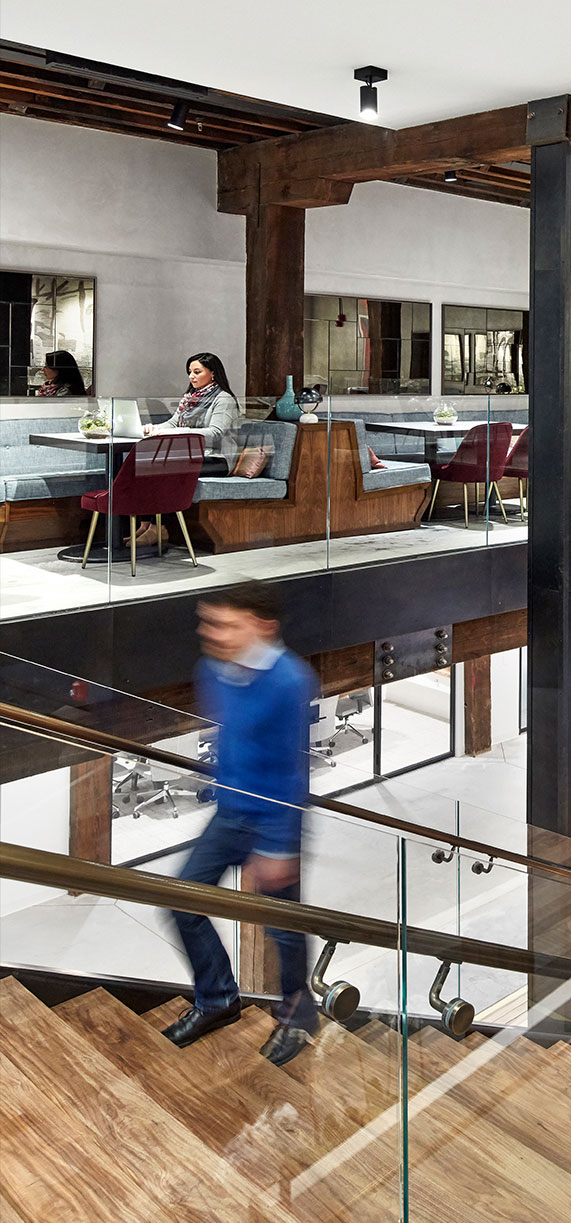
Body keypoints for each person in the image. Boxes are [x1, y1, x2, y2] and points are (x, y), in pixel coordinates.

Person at [163, 580, 320, 1067]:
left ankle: (298, 1014)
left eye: (226, 624)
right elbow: (231, 740)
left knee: (284, 929)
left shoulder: (290, 680)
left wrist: (276, 847)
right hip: (230, 812)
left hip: (274, 819)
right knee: (183, 901)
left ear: (262, 627)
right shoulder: (212, 668)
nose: (211, 633)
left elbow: (291, 771)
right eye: (208, 622)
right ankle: (218, 999)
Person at [137, 350, 242, 545]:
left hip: (218, 459)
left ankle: (159, 528)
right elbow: (174, 423)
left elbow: (215, 433)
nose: (191, 376)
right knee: (144, 466)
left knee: (166, 469)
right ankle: (145, 525)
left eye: (197, 372)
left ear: (213, 373)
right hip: (191, 455)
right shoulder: (190, 398)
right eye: (189, 372)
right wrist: (152, 428)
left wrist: (176, 434)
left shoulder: (223, 399)